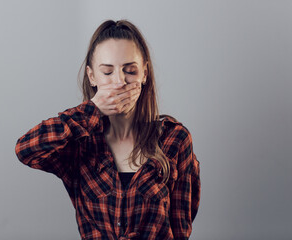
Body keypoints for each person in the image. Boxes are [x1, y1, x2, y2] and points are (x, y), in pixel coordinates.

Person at [15, 19, 201, 240]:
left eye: (130, 70)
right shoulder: (80, 144)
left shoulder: (174, 138)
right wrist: (92, 109)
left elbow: (181, 229)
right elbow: (26, 149)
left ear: (144, 73)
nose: (120, 81)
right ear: (92, 76)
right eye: (107, 72)